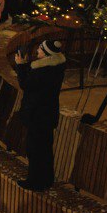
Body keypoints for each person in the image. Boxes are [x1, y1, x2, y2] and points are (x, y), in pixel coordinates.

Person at [14, 38, 66, 191]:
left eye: (40, 49)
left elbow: (26, 85)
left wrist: (21, 66)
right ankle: (46, 179)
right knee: (45, 149)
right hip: (47, 115)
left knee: (35, 150)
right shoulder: (56, 67)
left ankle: (35, 181)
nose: (37, 51)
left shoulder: (42, 70)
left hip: (37, 115)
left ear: (46, 53)